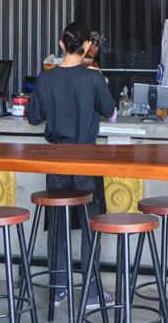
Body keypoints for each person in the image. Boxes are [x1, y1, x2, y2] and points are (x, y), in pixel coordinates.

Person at [28, 22, 117, 308]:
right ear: (87, 46)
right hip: (87, 159)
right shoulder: (93, 78)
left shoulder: (46, 78)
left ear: (61, 44)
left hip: (56, 160)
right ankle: (91, 293)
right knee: (91, 224)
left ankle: (58, 289)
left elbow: (33, 117)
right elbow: (110, 112)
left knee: (58, 224)